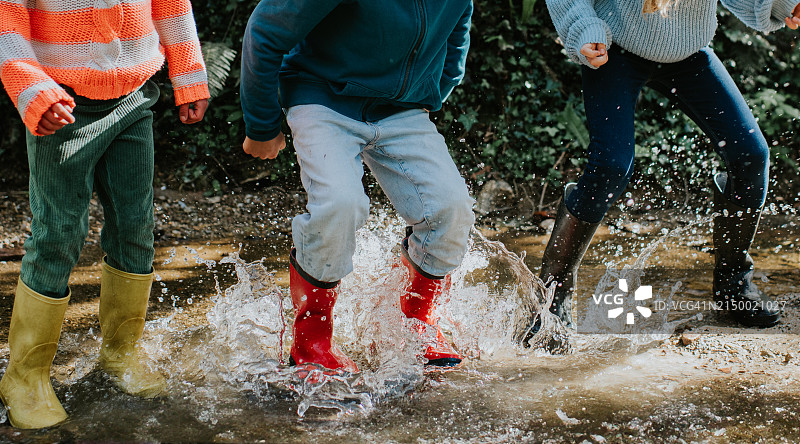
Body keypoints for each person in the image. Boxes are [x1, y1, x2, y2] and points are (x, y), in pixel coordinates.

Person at [531, 0, 800, 335]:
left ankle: (733, 285)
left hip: (688, 53)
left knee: (751, 155)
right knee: (611, 166)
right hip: (614, 47)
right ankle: (552, 295)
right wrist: (584, 27)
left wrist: (785, 3)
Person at [0, 0, 209, 429]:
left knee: (136, 225)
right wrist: (31, 85)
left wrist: (189, 74)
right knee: (59, 232)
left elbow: (170, 4)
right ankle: (26, 375)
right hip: (60, 103)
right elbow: (8, 23)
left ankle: (120, 352)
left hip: (134, 96)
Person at [240, 0, 475, 372]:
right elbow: (265, 31)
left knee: (452, 209)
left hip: (402, 109)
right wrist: (262, 125)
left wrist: (428, 95)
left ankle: (415, 322)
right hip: (322, 97)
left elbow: (455, 41)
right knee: (339, 205)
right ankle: (311, 343)